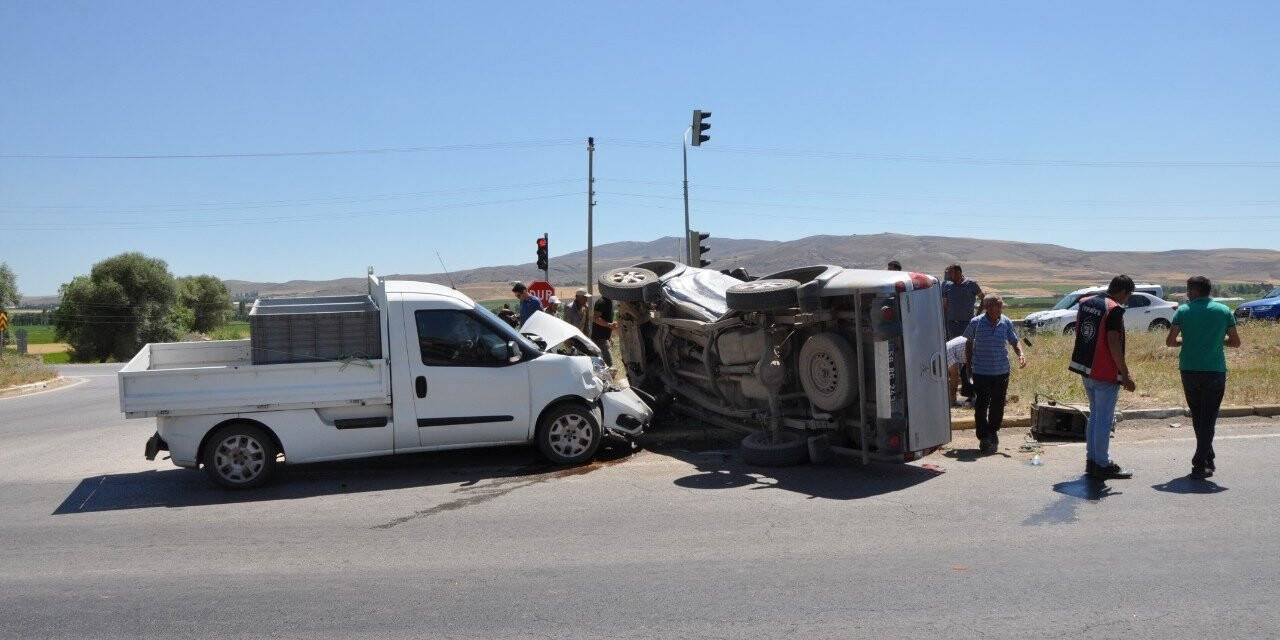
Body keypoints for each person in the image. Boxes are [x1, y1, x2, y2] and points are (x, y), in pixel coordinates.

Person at [1166, 275, 1242, 479]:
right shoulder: (1224, 311)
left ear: (1196, 291)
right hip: (1214, 370)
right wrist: (1218, 341)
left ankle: (1201, 460)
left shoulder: (1183, 311)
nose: (1187, 294)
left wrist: (1188, 340)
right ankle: (1205, 456)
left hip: (1189, 369)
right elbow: (1235, 342)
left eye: (1188, 290)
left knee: (1198, 416)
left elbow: (1171, 341)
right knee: (1208, 418)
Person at [1068, 275, 1137, 480]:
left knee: (1095, 416)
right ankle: (1102, 463)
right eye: (1128, 296)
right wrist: (1125, 374)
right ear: (1124, 292)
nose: (1127, 300)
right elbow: (1113, 342)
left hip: (1085, 366)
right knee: (1104, 420)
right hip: (1104, 371)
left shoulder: (1087, 302)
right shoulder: (1113, 309)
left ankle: (1092, 460)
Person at [964, 294, 1025, 454]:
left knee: (998, 404)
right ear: (985, 307)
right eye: (990, 306)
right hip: (981, 371)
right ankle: (983, 436)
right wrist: (968, 364)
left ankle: (993, 431)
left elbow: (1014, 340)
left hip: (1001, 371)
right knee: (981, 404)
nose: (993, 309)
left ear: (1001, 307)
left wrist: (1020, 354)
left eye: (997, 306)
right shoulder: (976, 323)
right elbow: (968, 342)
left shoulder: (1006, 322)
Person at [942, 264, 984, 340]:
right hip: (952, 324)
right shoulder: (947, 286)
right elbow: (945, 306)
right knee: (953, 347)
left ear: (958, 273)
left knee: (967, 346)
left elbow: (983, 299)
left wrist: (977, 315)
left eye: (951, 273)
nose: (948, 275)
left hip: (968, 323)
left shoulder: (971, 284)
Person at [945, 335, 973, 407]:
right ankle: (952, 401)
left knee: (964, 372)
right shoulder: (978, 341)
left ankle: (970, 395)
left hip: (948, 348)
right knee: (955, 376)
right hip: (949, 351)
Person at [591, 295, 618, 366]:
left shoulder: (609, 302)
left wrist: (609, 336)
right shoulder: (602, 302)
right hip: (599, 338)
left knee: (604, 364)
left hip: (604, 338)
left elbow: (606, 319)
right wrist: (609, 325)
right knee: (609, 365)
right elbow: (595, 318)